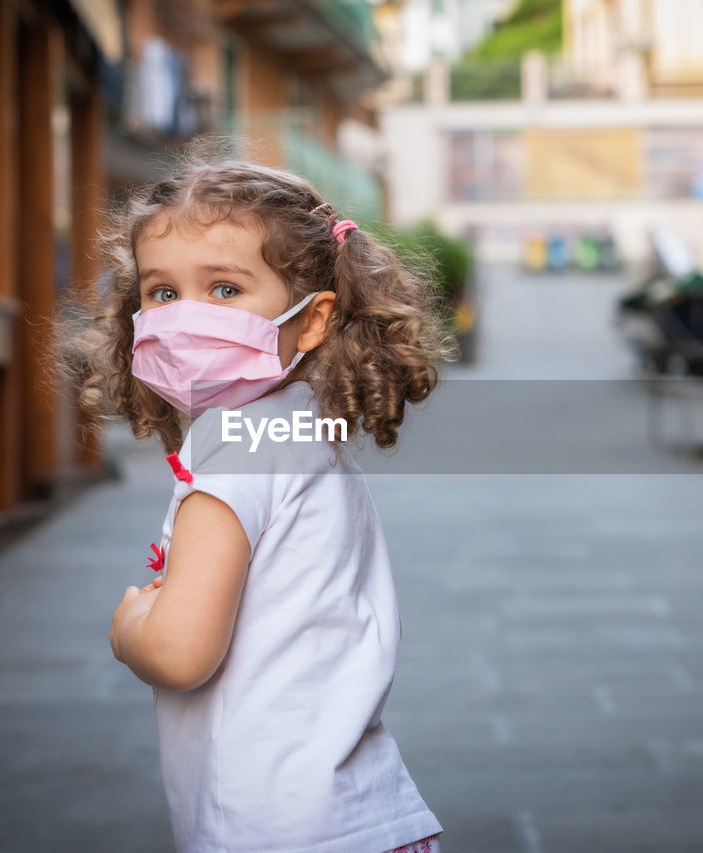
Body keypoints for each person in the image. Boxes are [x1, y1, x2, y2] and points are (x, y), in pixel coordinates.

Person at [70, 154, 452, 853]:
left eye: (223, 288)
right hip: (355, 816)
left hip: (275, 830)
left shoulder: (234, 441)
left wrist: (132, 627)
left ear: (311, 322)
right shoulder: (302, 424)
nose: (185, 316)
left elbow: (182, 651)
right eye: (161, 293)